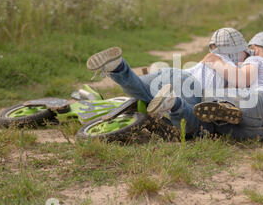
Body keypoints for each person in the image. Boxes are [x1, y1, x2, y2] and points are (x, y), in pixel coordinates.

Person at [85, 28, 249, 135]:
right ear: (238, 51)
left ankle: (117, 67)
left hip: (171, 73)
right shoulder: (231, 65)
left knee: (141, 89)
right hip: (190, 86)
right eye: (245, 53)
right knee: (194, 125)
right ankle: (174, 104)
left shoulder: (208, 58)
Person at [149, 31, 263, 140]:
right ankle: (184, 126)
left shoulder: (256, 59)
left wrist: (216, 63)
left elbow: (241, 79)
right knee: (217, 128)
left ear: (254, 49)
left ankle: (223, 105)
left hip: (258, 103)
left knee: (205, 95)